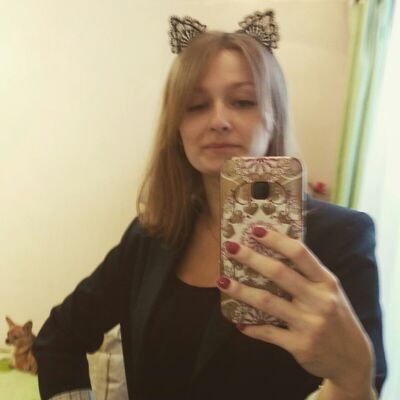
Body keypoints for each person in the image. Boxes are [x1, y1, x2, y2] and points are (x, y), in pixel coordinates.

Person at [32, 10, 386, 400]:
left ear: (274, 115)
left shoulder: (340, 237)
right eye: (196, 105)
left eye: (243, 101)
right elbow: (58, 338)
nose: (218, 120)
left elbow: (364, 385)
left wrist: (353, 377)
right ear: (177, 126)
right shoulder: (151, 236)